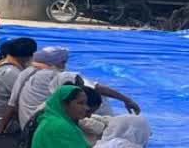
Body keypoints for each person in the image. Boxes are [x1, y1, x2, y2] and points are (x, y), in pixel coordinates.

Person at [8, 46, 141, 131]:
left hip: (26, 125)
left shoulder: (26, 73)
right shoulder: (61, 125)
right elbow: (97, 88)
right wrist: (127, 100)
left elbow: (12, 105)